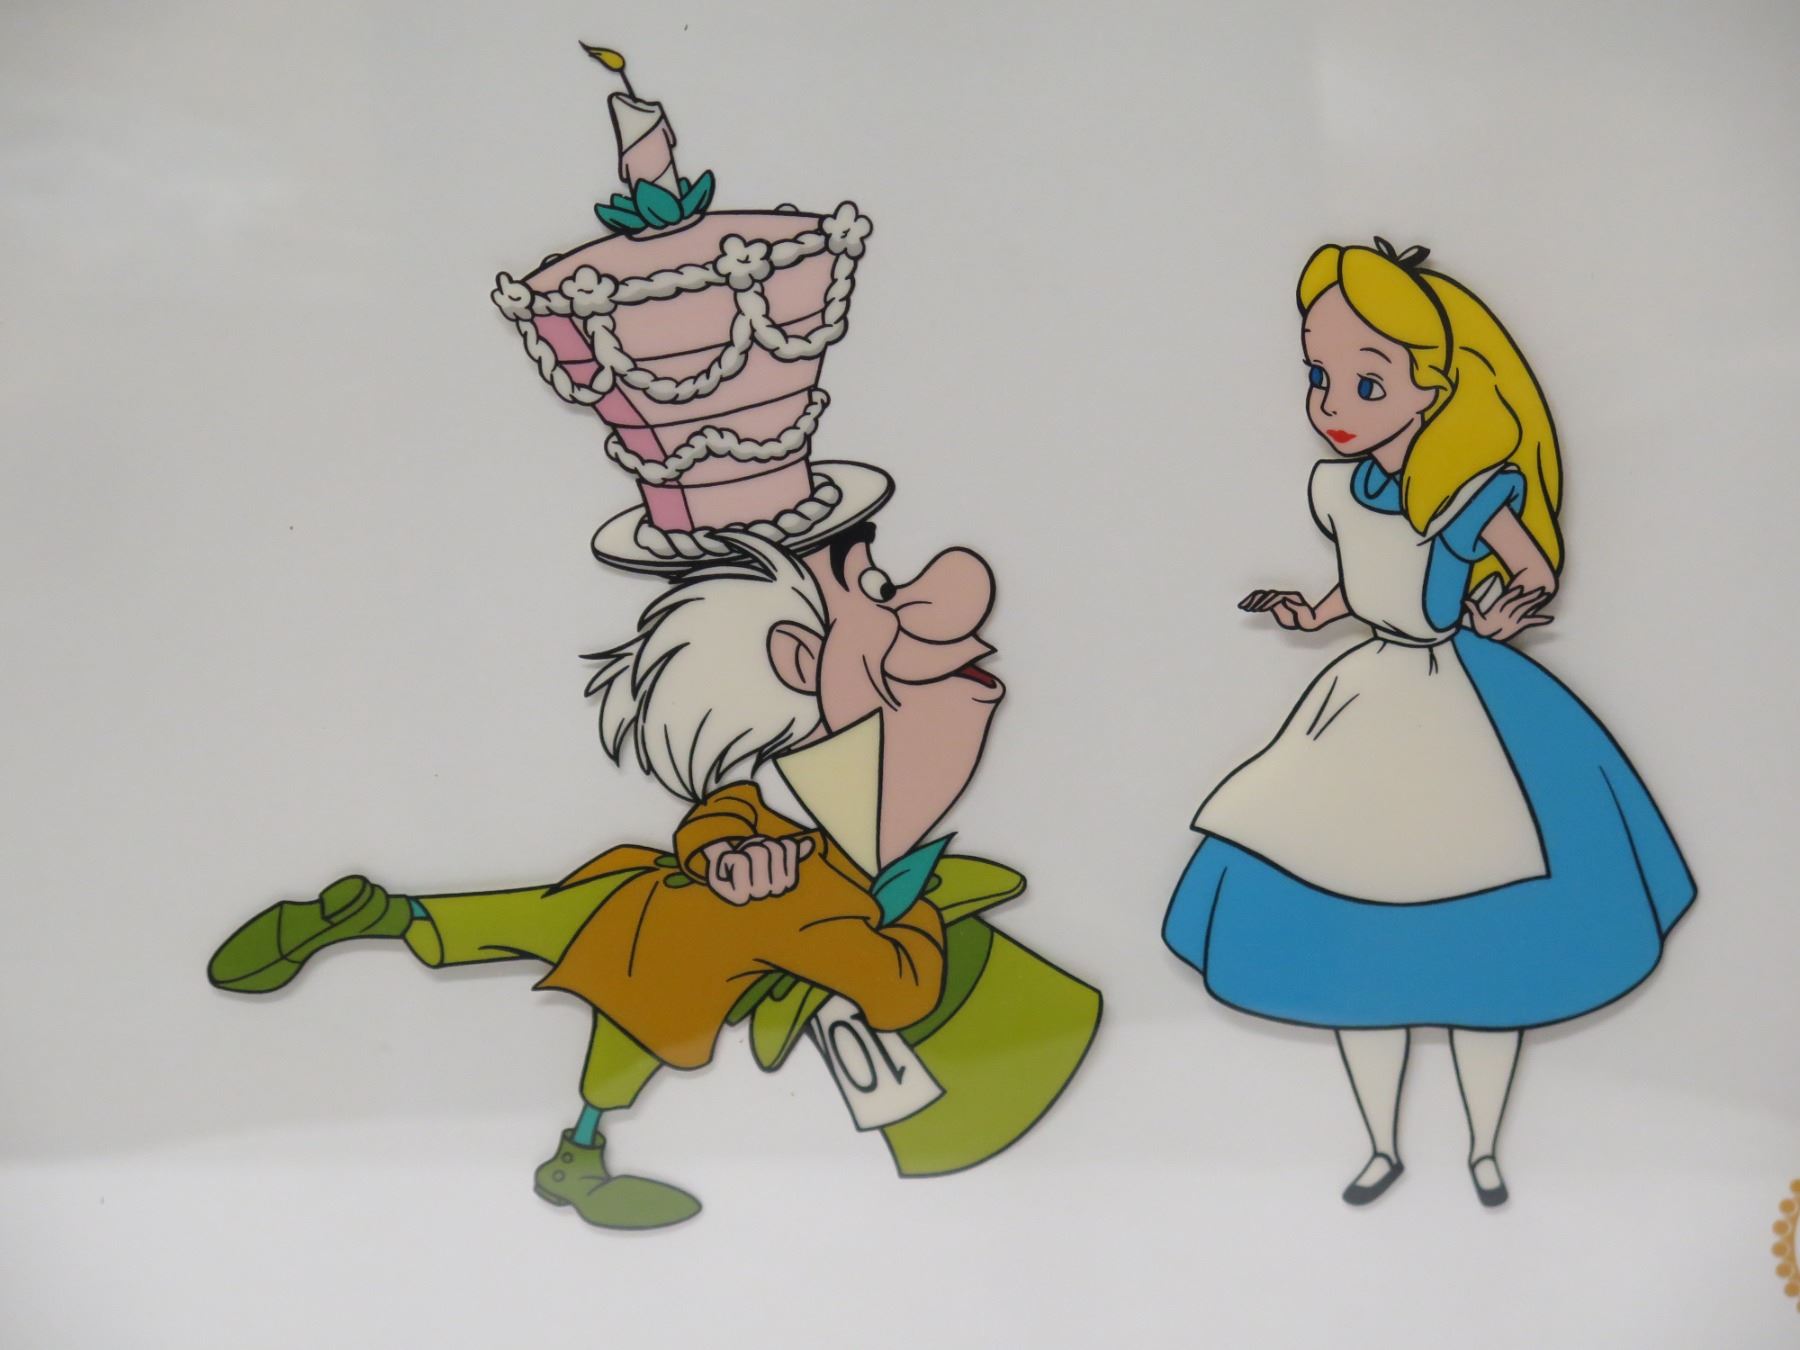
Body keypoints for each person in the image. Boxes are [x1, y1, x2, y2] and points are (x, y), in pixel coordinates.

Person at [1162, 239, 1695, 1207]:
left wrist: (1502, 611)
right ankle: (1382, 1145)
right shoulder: (1338, 487)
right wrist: (1312, 613)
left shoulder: (1465, 492)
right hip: (1362, 697)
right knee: (1338, 910)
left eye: (1367, 382)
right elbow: (1358, 584)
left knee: (1494, 924)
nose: (1333, 403)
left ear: (1431, 387)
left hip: (1456, 694)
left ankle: (1486, 1147)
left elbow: (1534, 567)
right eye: (1319, 376)